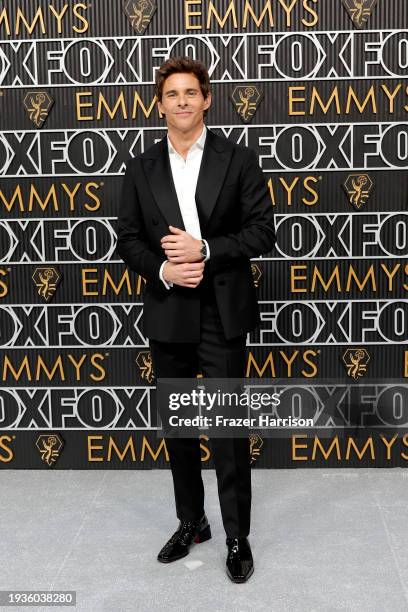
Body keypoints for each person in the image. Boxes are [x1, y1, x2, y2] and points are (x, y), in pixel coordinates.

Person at [116, 56, 276, 583]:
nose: (181, 101)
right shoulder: (140, 167)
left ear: (207, 100)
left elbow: (261, 232)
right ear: (159, 104)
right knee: (179, 429)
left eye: (191, 92)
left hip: (222, 309)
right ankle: (193, 522)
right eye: (172, 93)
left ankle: (236, 535)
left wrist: (204, 248)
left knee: (228, 431)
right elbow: (129, 243)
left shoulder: (239, 159)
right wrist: (164, 269)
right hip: (169, 310)